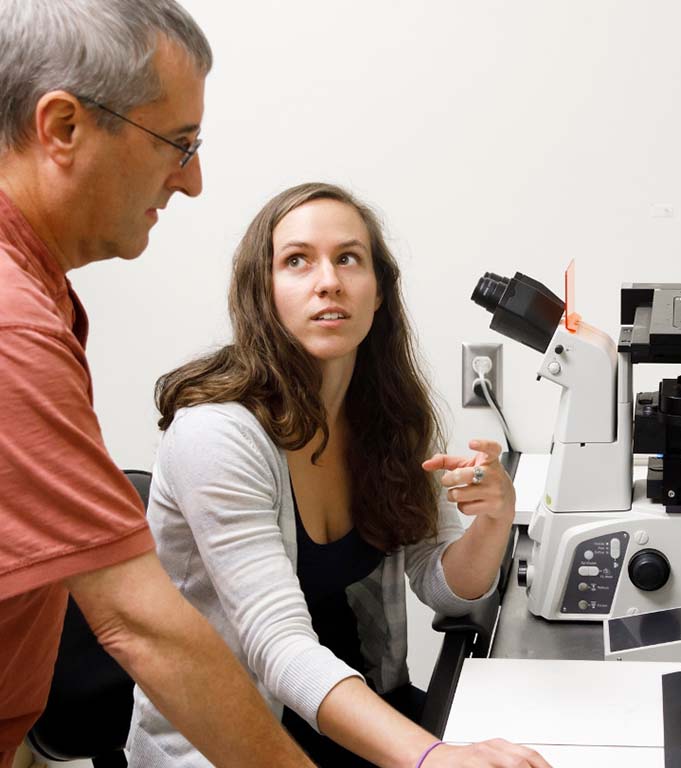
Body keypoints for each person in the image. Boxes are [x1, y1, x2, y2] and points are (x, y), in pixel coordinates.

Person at [129, 182, 551, 768]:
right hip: (240, 745)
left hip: (361, 714)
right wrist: (432, 757)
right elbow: (279, 646)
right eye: (297, 260)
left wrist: (493, 520)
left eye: (348, 258)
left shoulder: (387, 418)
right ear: (263, 292)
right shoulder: (218, 435)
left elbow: (442, 583)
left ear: (378, 293)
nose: (328, 280)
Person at [0, 2, 315, 766]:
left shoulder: (37, 294)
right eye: (177, 143)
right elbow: (139, 625)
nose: (194, 181)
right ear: (64, 127)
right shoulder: (12, 327)